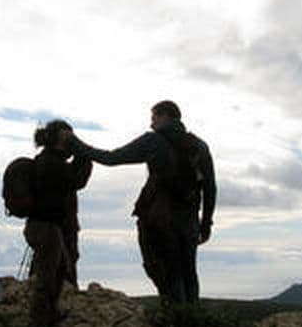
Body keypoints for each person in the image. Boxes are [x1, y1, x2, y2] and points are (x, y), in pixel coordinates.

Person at [68, 100, 216, 304]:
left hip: (160, 219)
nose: (151, 124)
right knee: (188, 272)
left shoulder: (153, 141)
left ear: (165, 116)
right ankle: (192, 324)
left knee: (165, 271)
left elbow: (111, 158)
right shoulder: (199, 146)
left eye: (153, 118)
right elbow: (210, 187)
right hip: (189, 219)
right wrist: (206, 224)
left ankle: (175, 320)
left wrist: (75, 143)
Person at [25, 120, 92, 326]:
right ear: (60, 138)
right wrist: (84, 155)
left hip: (44, 225)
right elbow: (76, 180)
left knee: (60, 266)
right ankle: (40, 320)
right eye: (68, 137)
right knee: (48, 274)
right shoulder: (51, 162)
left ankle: (49, 312)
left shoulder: (47, 159)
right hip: (46, 226)